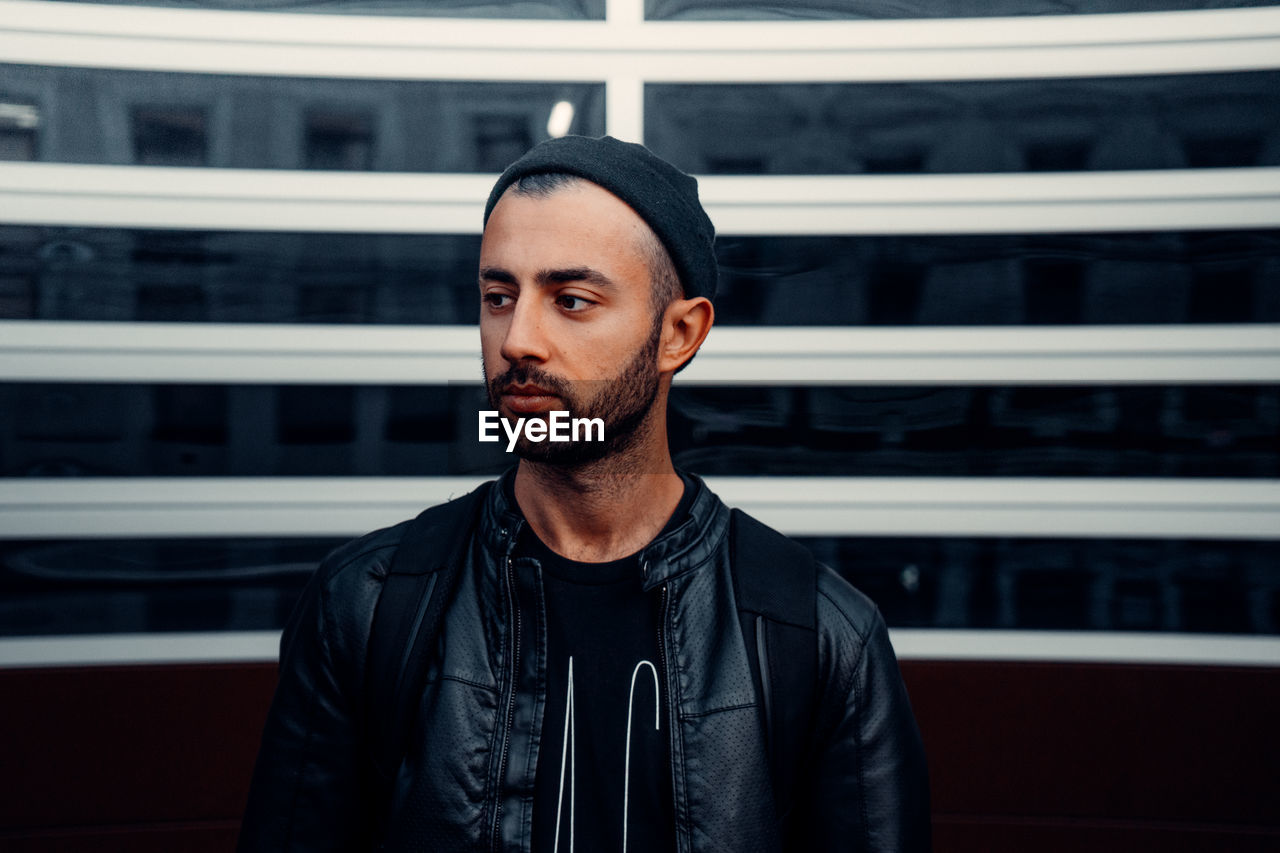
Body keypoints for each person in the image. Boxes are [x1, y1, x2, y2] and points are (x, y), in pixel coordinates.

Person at [238, 135, 930, 852]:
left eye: (571, 299)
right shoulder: (368, 607)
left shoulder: (818, 637)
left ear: (679, 334)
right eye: (498, 296)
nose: (518, 340)